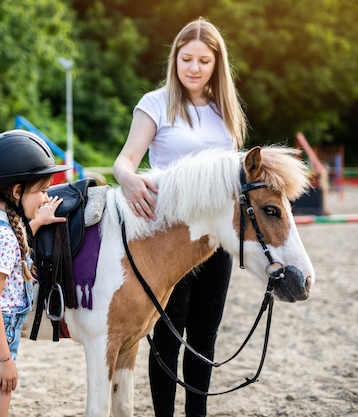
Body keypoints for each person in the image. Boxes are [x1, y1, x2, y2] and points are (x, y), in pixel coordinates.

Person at [112, 17, 247, 417]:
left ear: (215, 63)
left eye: (203, 60)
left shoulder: (226, 111)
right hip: (166, 239)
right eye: (186, 58)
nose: (193, 67)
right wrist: (127, 180)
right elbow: (125, 160)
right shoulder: (155, 103)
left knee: (205, 338)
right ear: (175, 59)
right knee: (168, 339)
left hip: (214, 240)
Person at [0, 129, 71, 417]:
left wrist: (36, 224)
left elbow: (10, 250)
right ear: (17, 191)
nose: (46, 198)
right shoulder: (5, 237)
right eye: (42, 191)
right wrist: (4, 360)